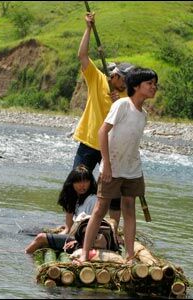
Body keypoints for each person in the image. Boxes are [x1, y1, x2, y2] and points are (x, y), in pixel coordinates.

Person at [77, 67, 159, 264]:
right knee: (100, 208)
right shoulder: (122, 105)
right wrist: (106, 165)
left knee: (129, 209)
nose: (154, 87)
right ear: (136, 86)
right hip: (112, 167)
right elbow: (102, 132)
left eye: (155, 84)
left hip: (133, 169)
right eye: (149, 83)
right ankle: (84, 253)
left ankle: (130, 256)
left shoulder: (143, 114)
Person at [73, 12, 134, 225]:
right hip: (90, 141)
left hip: (112, 148)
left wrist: (120, 102)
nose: (126, 83)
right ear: (115, 76)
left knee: (113, 189)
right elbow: (82, 56)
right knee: (78, 182)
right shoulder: (98, 79)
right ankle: (75, 223)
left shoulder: (128, 97)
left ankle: (113, 229)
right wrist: (88, 28)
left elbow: (129, 124)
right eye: (124, 79)